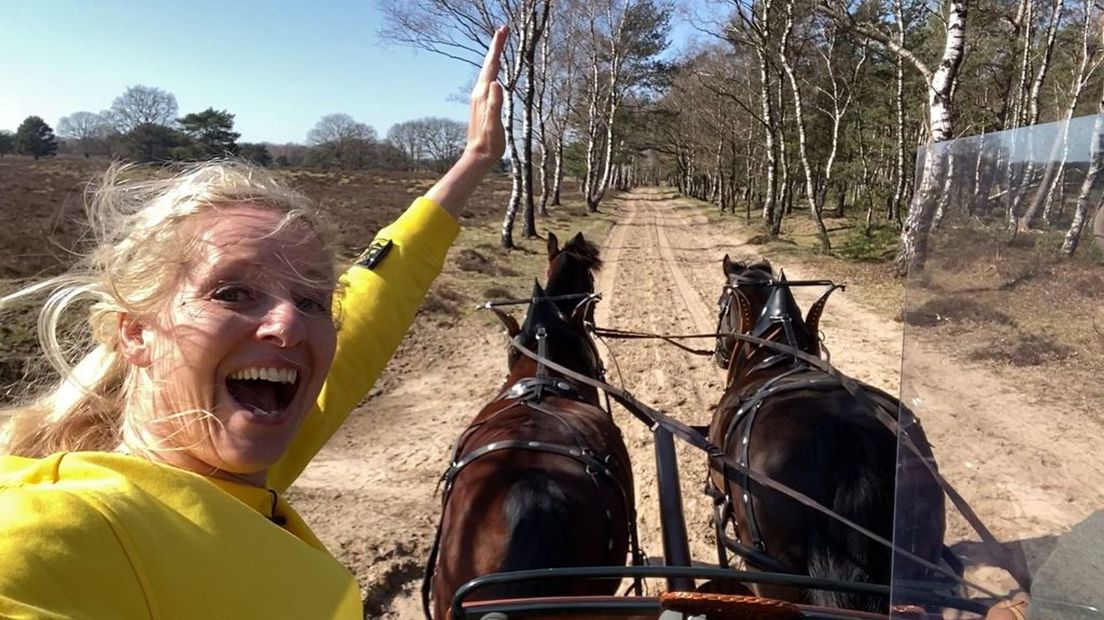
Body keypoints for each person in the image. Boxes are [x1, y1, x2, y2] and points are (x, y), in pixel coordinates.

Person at [0, 27, 508, 618]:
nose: (288, 325)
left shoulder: (233, 471)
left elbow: (371, 301)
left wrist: (473, 161)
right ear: (134, 331)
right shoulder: (61, 534)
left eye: (313, 301)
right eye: (234, 292)